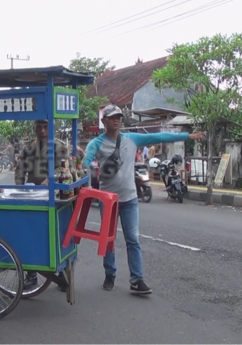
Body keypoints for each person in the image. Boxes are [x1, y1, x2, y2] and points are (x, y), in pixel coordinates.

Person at [83, 105, 204, 294]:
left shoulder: (132, 139)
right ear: (104, 121)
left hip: (130, 198)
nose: (117, 120)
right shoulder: (97, 143)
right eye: (112, 117)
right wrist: (90, 166)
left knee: (133, 239)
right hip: (108, 200)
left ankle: (136, 279)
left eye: (119, 117)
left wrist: (187, 136)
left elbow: (161, 136)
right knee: (108, 240)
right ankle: (110, 274)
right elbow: (86, 161)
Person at [14, 119, 82, 291]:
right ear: (34, 128)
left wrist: (48, 182)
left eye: (46, 127)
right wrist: (19, 188)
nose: (43, 131)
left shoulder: (59, 147)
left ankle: (63, 274)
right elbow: (20, 170)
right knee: (28, 234)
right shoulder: (28, 148)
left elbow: (64, 169)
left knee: (59, 235)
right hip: (33, 197)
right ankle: (31, 274)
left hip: (57, 197)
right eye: (39, 127)